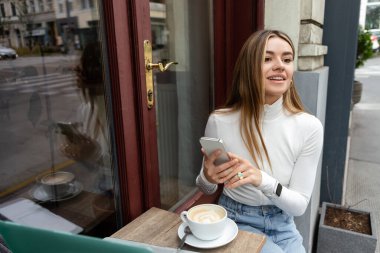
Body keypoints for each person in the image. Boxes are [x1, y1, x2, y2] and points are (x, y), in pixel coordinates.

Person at [196, 30, 324, 253]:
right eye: (267, 58)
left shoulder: (309, 127)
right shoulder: (220, 121)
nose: (280, 65)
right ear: (249, 68)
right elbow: (206, 187)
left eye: (286, 59)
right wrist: (207, 176)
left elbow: (300, 205)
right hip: (236, 220)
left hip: (283, 224)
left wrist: (261, 179)